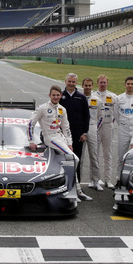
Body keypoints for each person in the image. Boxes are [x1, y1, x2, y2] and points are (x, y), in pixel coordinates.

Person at [28, 86, 86, 203]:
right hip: (50, 138)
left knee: (70, 161)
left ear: (60, 96)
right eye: (53, 95)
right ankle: (73, 189)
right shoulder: (42, 108)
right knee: (75, 159)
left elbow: (66, 127)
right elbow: (31, 123)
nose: (55, 97)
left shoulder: (62, 109)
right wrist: (31, 141)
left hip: (60, 138)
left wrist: (69, 143)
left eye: (57, 95)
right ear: (49, 95)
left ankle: (78, 190)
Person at [60, 73, 92, 201]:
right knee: (63, 160)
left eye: (73, 82)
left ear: (76, 83)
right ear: (65, 81)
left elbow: (86, 116)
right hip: (63, 135)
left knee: (77, 161)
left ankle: (77, 189)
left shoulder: (81, 97)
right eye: (69, 81)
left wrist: (85, 133)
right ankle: (64, 187)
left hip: (78, 135)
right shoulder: (60, 96)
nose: (71, 84)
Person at [94, 75, 118, 190]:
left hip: (108, 126)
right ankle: (95, 179)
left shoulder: (113, 96)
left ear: (107, 83)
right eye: (101, 82)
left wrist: (110, 122)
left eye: (104, 82)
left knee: (107, 154)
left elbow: (116, 113)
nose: (102, 84)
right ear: (97, 83)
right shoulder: (93, 96)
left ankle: (108, 180)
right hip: (96, 127)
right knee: (95, 154)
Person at [116, 76, 133, 179]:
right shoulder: (119, 98)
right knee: (121, 156)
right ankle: (118, 178)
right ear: (125, 85)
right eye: (128, 84)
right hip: (123, 129)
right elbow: (116, 114)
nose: (130, 86)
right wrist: (122, 124)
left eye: (132, 84)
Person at [82, 77, 102, 192]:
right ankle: (77, 181)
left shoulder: (97, 99)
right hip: (81, 129)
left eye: (90, 85)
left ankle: (95, 180)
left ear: (92, 86)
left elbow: (101, 116)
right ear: (83, 85)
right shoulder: (79, 98)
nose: (88, 87)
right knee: (80, 157)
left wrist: (94, 128)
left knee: (94, 156)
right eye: (86, 85)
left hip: (93, 127)